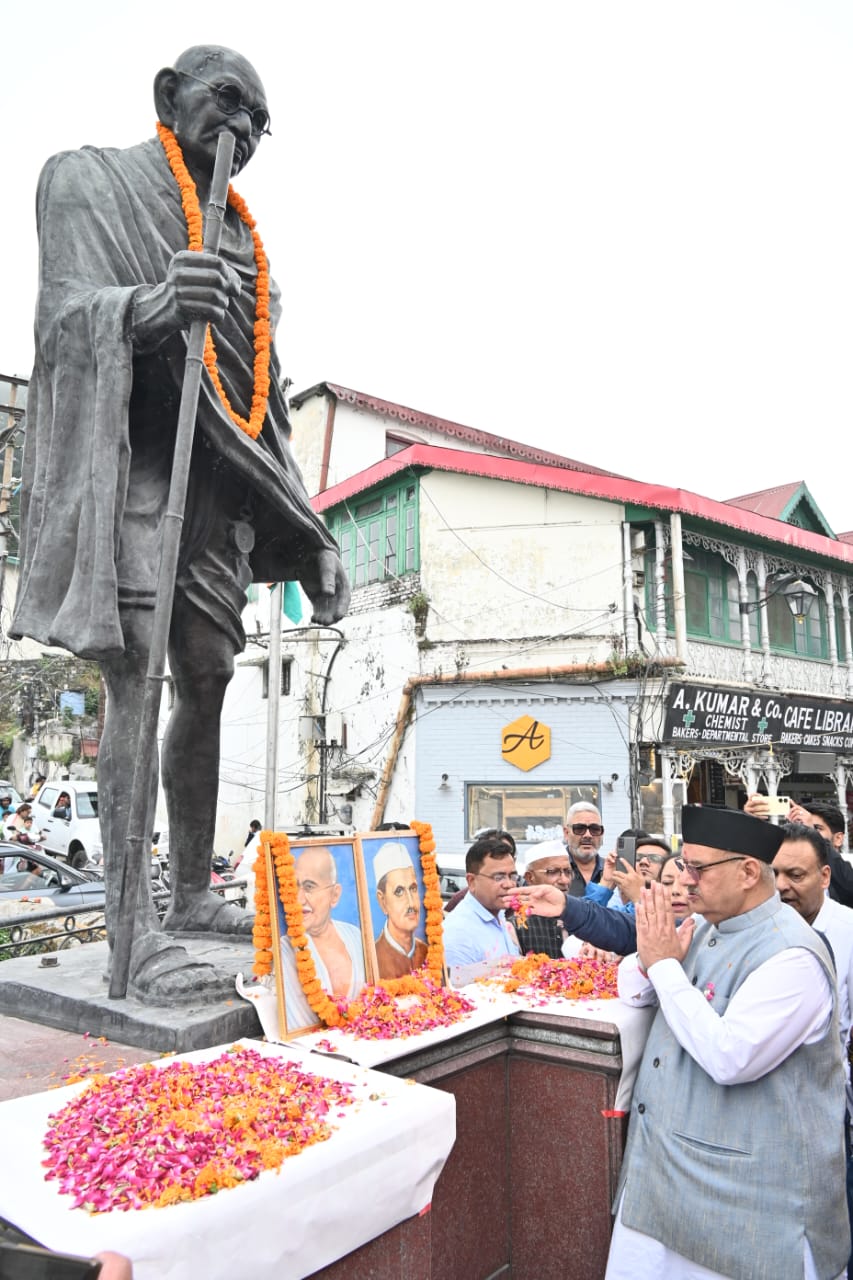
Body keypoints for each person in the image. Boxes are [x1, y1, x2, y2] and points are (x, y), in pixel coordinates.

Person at [10, 46, 350, 1001]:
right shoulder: (91, 182)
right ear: (170, 96)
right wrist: (150, 307)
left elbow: (263, 408)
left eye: (258, 122)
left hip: (217, 492)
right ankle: (133, 934)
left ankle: (192, 891)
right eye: (226, 102)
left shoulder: (250, 257)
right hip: (134, 471)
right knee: (134, 678)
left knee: (206, 676)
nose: (240, 129)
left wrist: (313, 535)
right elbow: (63, 320)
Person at [606, 805, 849, 1280]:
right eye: (684, 865)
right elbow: (632, 990)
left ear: (748, 872)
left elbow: (730, 1056)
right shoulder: (705, 927)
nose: (685, 880)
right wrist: (653, 959)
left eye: (698, 868)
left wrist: (664, 966)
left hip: (749, 1206)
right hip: (665, 1182)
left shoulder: (793, 955)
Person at [279, 846, 366, 1031]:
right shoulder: (284, 950)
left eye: (309, 887)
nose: (299, 899)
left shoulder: (355, 936)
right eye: (294, 886)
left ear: (334, 895)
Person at [442, 832, 521, 970]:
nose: (509, 884)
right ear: (472, 881)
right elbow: (458, 983)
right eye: (499, 877)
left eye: (512, 876)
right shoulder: (458, 934)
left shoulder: (498, 913)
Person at [372, 841, 428, 978]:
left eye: (413, 889)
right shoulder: (372, 959)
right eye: (399, 891)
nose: (411, 903)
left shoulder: (427, 952)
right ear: (382, 901)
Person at [515, 839, 571, 958]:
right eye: (553, 872)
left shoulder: (581, 917)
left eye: (568, 872)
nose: (565, 880)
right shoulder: (518, 926)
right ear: (530, 877)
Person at [563, 802, 606, 896]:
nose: (588, 835)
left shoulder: (612, 872)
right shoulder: (552, 872)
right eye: (579, 829)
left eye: (594, 829)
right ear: (566, 833)